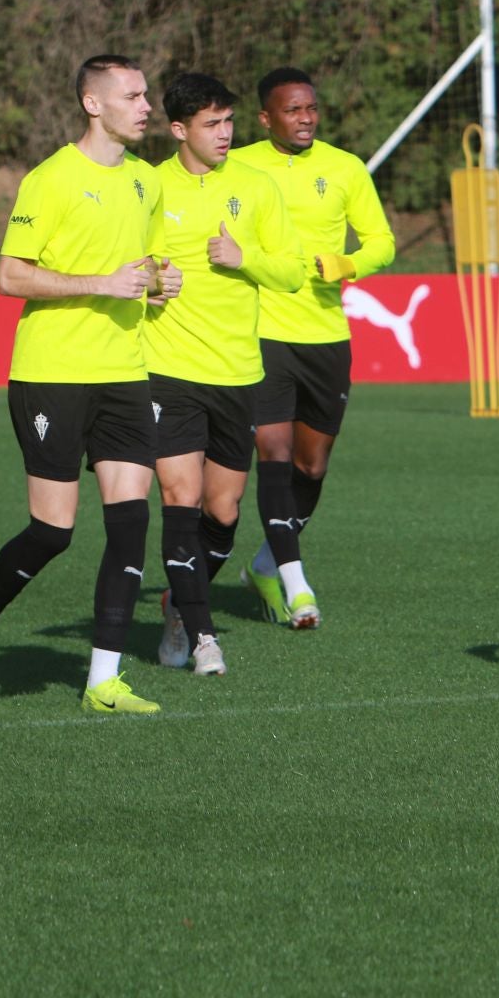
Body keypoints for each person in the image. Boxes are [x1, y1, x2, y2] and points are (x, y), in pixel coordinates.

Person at [0, 54, 183, 713]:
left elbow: (148, 265)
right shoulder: (50, 181)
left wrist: (162, 281)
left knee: (131, 523)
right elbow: (10, 275)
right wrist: (99, 284)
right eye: (132, 96)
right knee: (53, 531)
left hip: (125, 373)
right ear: (93, 104)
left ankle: (102, 681)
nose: (145, 107)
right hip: (51, 374)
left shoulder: (146, 183)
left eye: (146, 95)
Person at [146, 72, 304, 675]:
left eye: (229, 122)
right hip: (166, 369)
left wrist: (245, 258)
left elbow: (291, 273)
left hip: (238, 373)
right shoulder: (149, 186)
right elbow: (125, 264)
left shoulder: (257, 187)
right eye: (211, 124)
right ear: (179, 129)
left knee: (225, 511)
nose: (224, 134)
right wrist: (154, 282)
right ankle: (204, 633)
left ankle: (177, 604)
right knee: (179, 498)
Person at [229, 67, 393, 630]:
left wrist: (347, 264)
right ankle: (298, 587)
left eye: (311, 109)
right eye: (293, 110)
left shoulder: (345, 168)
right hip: (261, 333)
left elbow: (383, 243)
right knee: (272, 454)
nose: (305, 119)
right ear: (265, 118)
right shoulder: (239, 164)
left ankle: (265, 564)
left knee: (311, 466)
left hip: (326, 337)